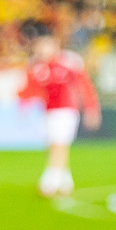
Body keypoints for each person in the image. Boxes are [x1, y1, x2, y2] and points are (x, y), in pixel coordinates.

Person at [20, 32, 100, 197]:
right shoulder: (37, 66)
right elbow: (29, 89)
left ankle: (50, 182)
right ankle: (65, 180)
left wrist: (91, 108)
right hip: (47, 111)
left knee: (59, 145)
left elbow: (84, 85)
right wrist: (25, 105)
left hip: (66, 110)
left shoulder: (70, 62)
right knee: (52, 145)